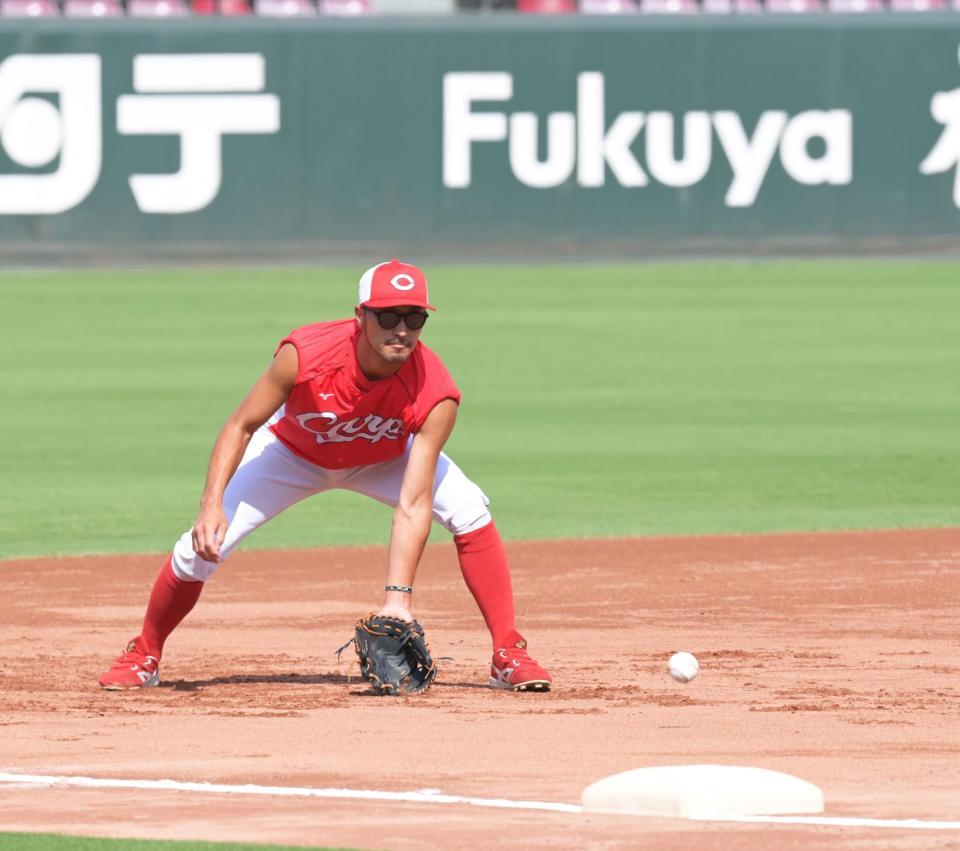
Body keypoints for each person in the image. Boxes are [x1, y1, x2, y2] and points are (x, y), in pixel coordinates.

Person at [99, 260, 552, 693]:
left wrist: (398, 599)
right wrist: (210, 503)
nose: (401, 329)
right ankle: (145, 653)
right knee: (200, 549)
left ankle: (507, 653)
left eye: (414, 318)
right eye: (388, 315)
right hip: (290, 454)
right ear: (360, 316)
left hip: (385, 459)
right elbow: (241, 424)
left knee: (469, 509)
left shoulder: (436, 392)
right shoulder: (305, 354)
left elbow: (413, 503)